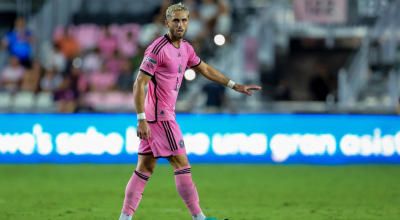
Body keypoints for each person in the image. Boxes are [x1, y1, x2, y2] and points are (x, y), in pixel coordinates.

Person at [119, 3, 261, 220]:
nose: (180, 24)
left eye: (184, 20)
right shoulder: (157, 49)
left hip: (159, 116)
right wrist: (141, 119)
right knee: (182, 165)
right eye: (176, 20)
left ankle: (125, 218)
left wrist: (234, 85)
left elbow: (204, 69)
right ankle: (199, 218)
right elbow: (139, 83)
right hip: (160, 117)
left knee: (144, 169)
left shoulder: (186, 48)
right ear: (167, 23)